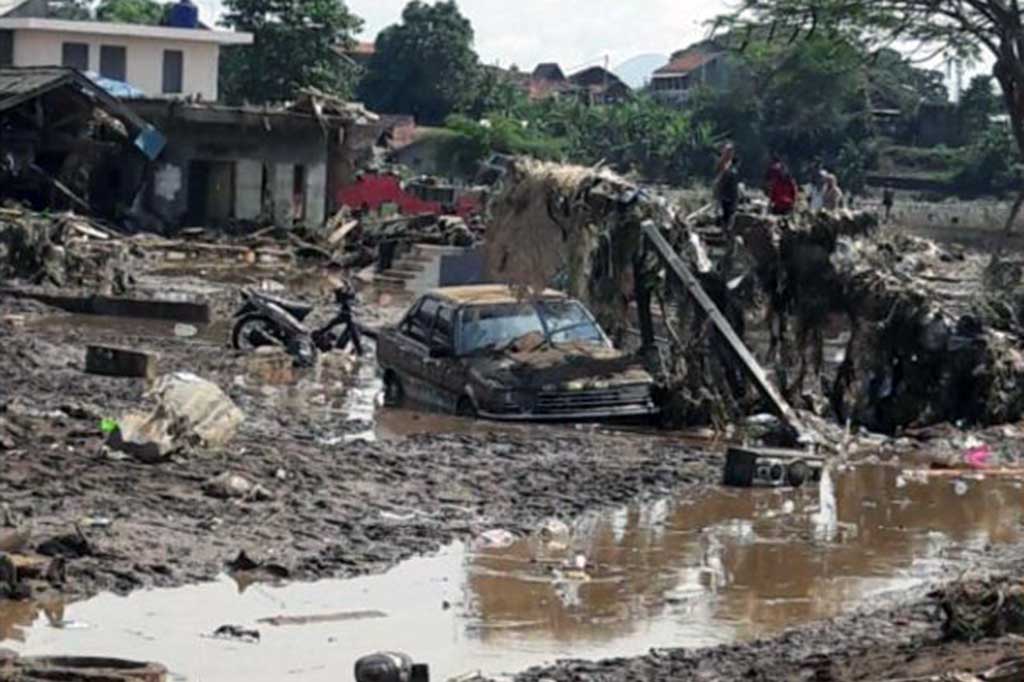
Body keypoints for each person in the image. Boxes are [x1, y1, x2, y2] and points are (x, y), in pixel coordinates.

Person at [719, 156, 741, 229]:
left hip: (724, 196)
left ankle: (724, 228)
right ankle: (728, 229)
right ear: (737, 163)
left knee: (725, 214)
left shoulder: (726, 171)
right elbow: (734, 187)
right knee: (730, 214)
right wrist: (736, 196)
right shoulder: (734, 172)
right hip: (730, 197)